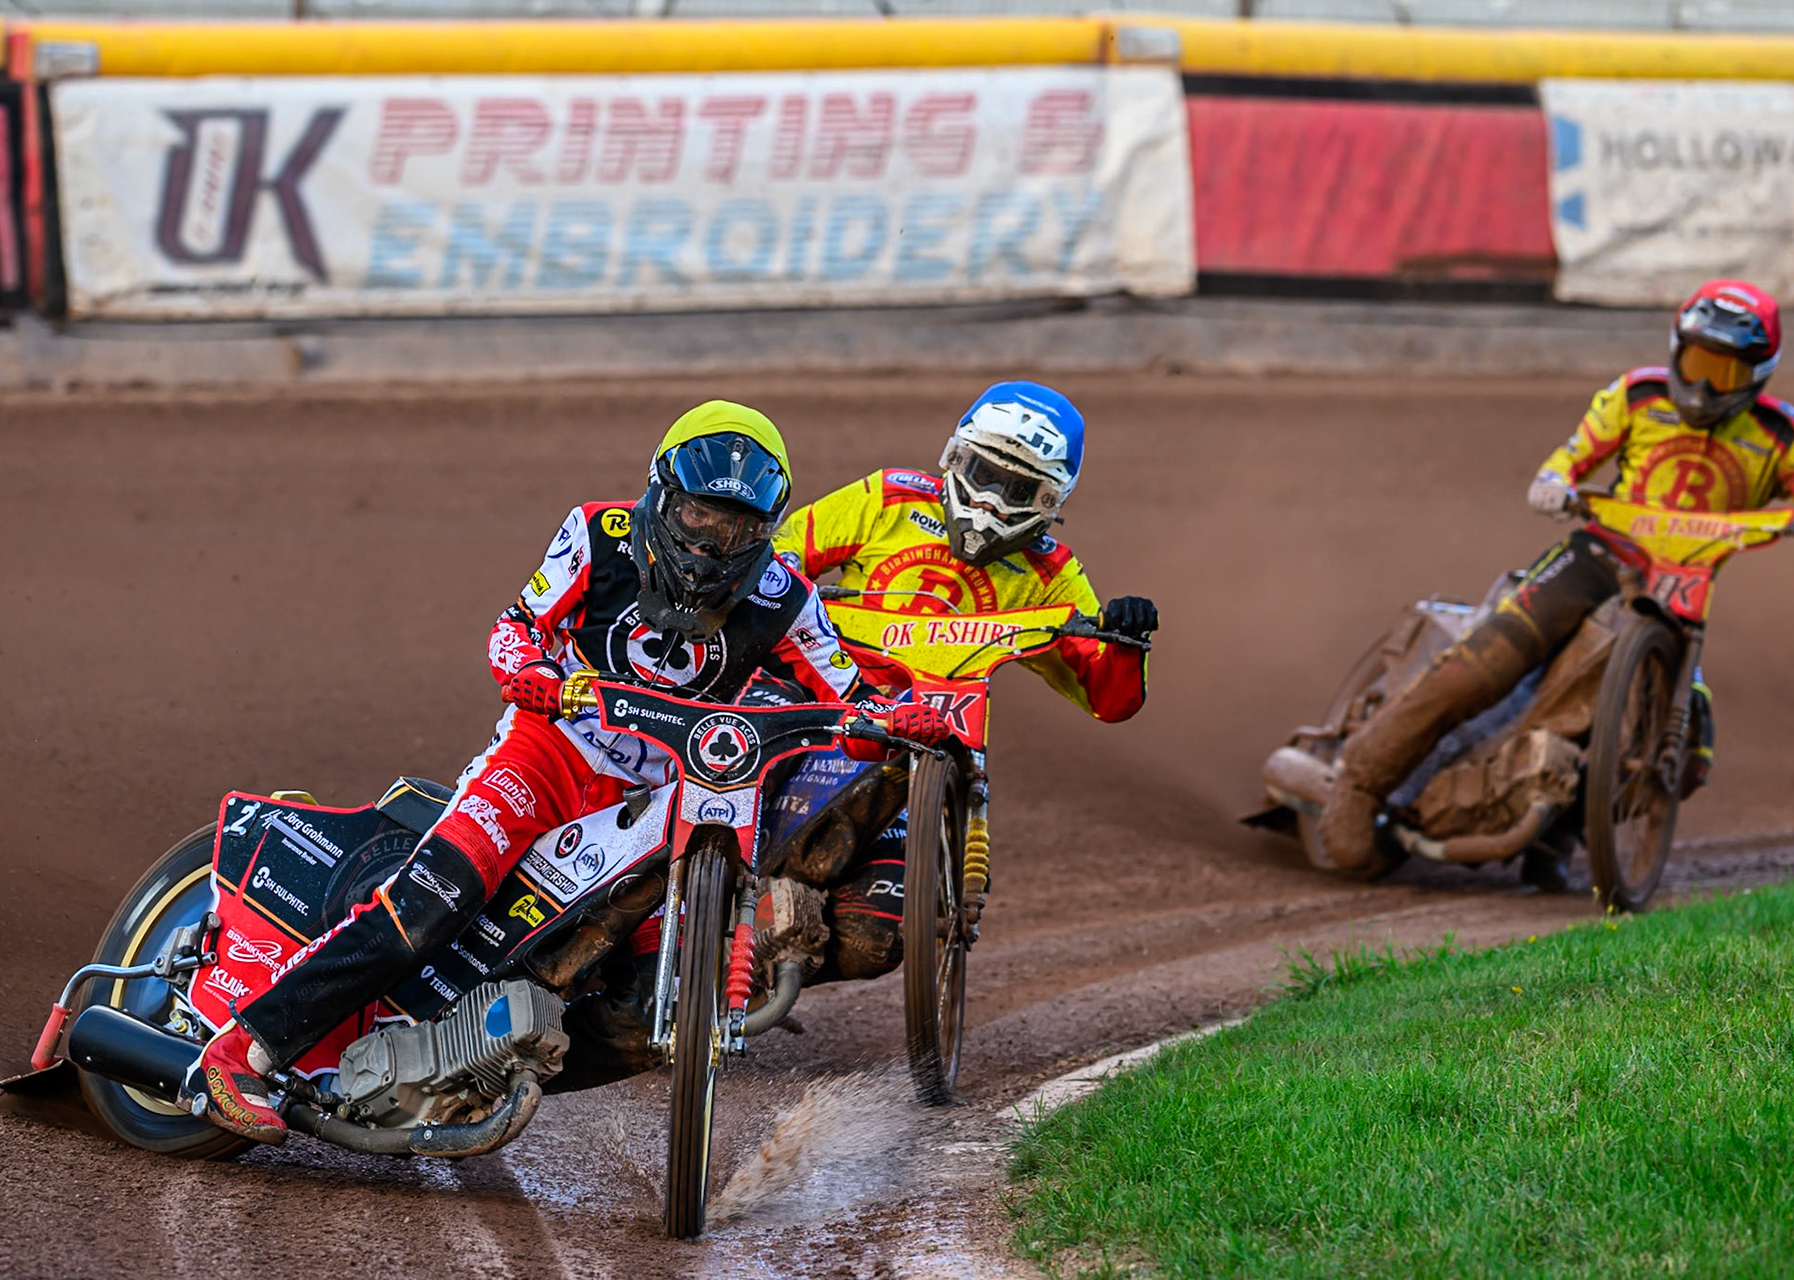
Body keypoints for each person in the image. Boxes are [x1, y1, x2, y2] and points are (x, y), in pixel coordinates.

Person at [179, 401, 949, 1144]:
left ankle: (471, 1073)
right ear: (662, 496)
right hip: (547, 754)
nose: (713, 543)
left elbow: (848, 696)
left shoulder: (787, 597)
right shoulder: (597, 533)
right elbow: (515, 631)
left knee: (651, 999)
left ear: (766, 532)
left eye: (738, 527)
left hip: (659, 798)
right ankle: (241, 1051)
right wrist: (532, 677)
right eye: (699, 517)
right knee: (432, 900)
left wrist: (901, 719)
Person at [1317, 280, 1794, 886]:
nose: (1706, 385)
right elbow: (1572, 457)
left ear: (1759, 376)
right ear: (1675, 350)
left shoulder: (1784, 433)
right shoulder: (1636, 394)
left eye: (1726, 372)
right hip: (1600, 555)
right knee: (1490, 659)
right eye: (1698, 362)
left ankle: (1562, 830)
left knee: (1688, 752)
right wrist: (1554, 482)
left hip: (1681, 591)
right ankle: (1360, 779)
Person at [764, 381, 1157, 975]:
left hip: (933, 741)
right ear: (952, 457)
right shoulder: (887, 498)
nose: (992, 501)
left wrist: (1127, 640)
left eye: (1018, 489)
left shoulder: (1050, 572)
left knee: (874, 942)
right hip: (826, 694)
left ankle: (767, 970)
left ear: (1049, 501)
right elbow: (782, 555)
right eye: (982, 472)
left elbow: (1107, 696)